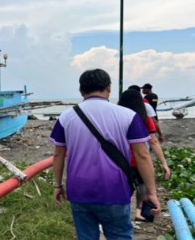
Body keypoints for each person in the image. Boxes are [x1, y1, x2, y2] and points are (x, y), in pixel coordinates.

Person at [50, 69, 160, 240]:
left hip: (79, 190)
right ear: (109, 88)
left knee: (85, 236)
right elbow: (143, 156)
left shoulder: (66, 117)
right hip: (115, 189)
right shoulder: (128, 116)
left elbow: (58, 155)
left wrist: (57, 185)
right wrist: (151, 192)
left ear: (81, 91)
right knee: (120, 236)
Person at [118, 89, 170, 221]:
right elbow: (153, 141)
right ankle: (138, 211)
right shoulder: (143, 118)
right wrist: (163, 163)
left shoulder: (115, 117)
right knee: (141, 185)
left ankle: (122, 214)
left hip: (117, 161)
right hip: (138, 161)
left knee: (121, 193)